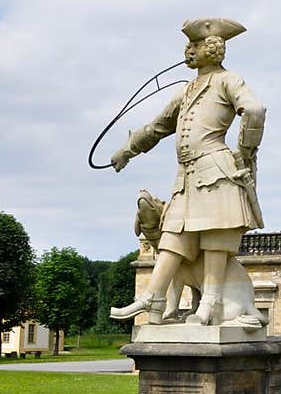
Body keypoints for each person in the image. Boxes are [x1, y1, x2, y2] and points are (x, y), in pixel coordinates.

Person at [109, 17, 266, 328]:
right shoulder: (188, 90)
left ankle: (210, 302)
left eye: (194, 45)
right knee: (171, 236)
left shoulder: (228, 80)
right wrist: (126, 150)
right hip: (187, 176)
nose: (187, 50)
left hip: (216, 170)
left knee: (214, 239)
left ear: (212, 49)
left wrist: (245, 152)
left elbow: (255, 110)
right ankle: (153, 297)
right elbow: (158, 126)